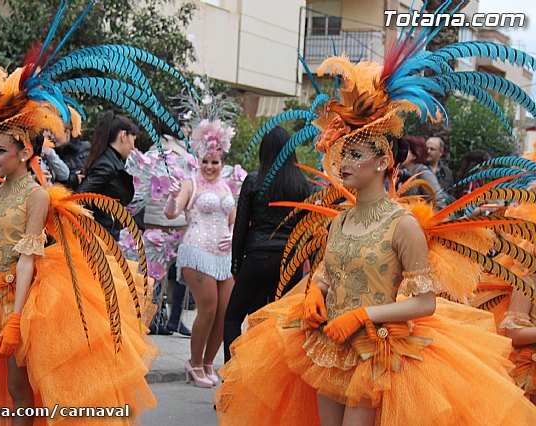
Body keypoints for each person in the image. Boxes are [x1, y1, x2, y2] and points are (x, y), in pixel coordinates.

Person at [215, 25, 536, 424]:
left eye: (356, 153)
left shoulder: (403, 224)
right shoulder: (341, 219)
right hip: (328, 344)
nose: (344, 162)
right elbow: (327, 274)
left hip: (379, 350)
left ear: (383, 160)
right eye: (342, 152)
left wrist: (365, 315)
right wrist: (317, 293)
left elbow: (424, 302)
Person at [0, 59, 161, 423]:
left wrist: (18, 318)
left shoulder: (37, 196)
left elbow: (27, 257)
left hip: (19, 298)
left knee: (19, 389)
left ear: (24, 152)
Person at [223, 126, 310, 362]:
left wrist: (236, 265)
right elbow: (307, 230)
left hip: (258, 256)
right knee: (277, 323)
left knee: (234, 317)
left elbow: (241, 227)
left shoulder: (254, 181)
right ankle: (268, 385)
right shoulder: (303, 185)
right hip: (289, 261)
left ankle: (231, 385)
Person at [165, 118, 236, 388]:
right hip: (196, 251)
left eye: (214, 162)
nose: (209, 167)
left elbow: (232, 215)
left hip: (223, 257)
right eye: (205, 161)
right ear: (198, 160)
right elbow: (173, 213)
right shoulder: (190, 184)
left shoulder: (226, 186)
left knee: (225, 311)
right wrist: (172, 198)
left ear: (221, 162)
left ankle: (208, 362)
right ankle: (193, 363)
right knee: (208, 308)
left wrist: (232, 233)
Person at [124, 118, 195, 336]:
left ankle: (154, 318)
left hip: (155, 223)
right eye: (184, 124)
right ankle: (172, 319)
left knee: (155, 275)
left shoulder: (151, 155)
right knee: (181, 275)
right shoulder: (183, 156)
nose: (188, 129)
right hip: (177, 222)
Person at [77, 111, 138, 239]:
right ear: (123, 136)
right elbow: (79, 197)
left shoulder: (109, 161)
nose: (133, 147)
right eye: (133, 141)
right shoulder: (107, 165)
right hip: (100, 237)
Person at [401, 135, 447, 209]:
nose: (401, 153)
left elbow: (438, 202)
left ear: (415, 155)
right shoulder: (402, 172)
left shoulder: (423, 173)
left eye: (405, 151)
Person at [53, 123, 90, 190]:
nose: (52, 137)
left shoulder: (86, 148)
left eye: (55, 133)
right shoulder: (52, 154)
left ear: (67, 132)